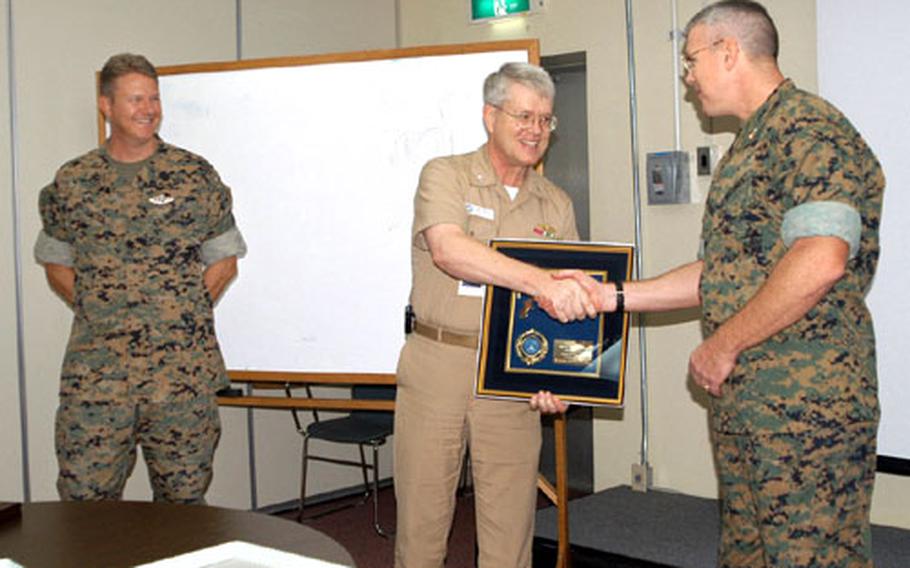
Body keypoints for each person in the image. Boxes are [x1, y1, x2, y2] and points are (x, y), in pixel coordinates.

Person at [552, 2, 885, 566]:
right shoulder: (747, 148)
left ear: (729, 51)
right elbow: (719, 274)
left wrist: (724, 343)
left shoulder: (808, 128)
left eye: (691, 59)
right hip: (751, 408)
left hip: (806, 413)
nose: (687, 76)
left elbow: (822, 257)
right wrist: (614, 296)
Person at [393, 62, 595, 568]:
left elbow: (572, 300)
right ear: (490, 115)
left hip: (514, 375)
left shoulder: (555, 202)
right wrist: (537, 280)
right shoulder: (446, 175)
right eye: (523, 115)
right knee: (422, 523)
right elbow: (449, 251)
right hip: (440, 361)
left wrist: (566, 376)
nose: (535, 130)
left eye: (546, 120)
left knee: (510, 530)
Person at [34, 53, 247, 503]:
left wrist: (177, 314)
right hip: (97, 376)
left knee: (183, 506)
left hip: (181, 377)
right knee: (84, 502)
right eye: (135, 99)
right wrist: (102, 312)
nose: (148, 108)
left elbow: (224, 260)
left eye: (154, 98)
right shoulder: (74, 181)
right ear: (106, 106)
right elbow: (56, 261)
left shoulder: (193, 176)